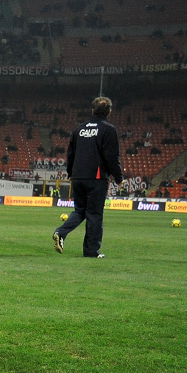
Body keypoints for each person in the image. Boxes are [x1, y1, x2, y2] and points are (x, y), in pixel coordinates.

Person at [54, 96, 123, 259]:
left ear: (92, 110)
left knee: (80, 210)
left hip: (78, 177)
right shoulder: (109, 130)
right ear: (109, 111)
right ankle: (91, 251)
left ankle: (61, 232)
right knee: (94, 214)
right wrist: (119, 177)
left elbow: (70, 154)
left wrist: (71, 173)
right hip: (96, 177)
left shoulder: (79, 129)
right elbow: (111, 156)